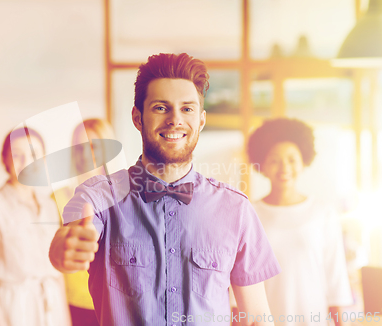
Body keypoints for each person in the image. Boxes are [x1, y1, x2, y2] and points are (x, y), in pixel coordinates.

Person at [49, 53, 281, 326]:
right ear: (137, 118)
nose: (175, 119)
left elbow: (256, 318)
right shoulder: (98, 197)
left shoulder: (237, 210)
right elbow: (67, 241)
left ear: (201, 120)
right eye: (161, 107)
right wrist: (64, 249)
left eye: (187, 109)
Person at [247, 118, 352, 326]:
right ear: (262, 164)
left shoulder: (323, 213)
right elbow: (242, 282)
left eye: (292, 159)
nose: (284, 167)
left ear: (303, 161)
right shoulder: (250, 214)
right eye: (275, 160)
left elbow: (336, 279)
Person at [0, 127, 71, 326]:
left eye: (34, 154)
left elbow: (57, 270)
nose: (26, 162)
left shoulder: (49, 206)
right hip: (14, 309)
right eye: (17, 155)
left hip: (52, 308)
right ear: (5, 160)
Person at [52, 119, 115, 326]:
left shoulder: (123, 198)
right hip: (74, 305)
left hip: (115, 304)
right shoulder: (58, 199)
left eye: (93, 146)